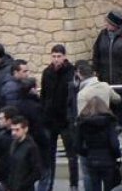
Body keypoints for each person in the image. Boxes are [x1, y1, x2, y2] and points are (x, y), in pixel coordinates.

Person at [40, 44, 78, 191]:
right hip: (50, 120)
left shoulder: (71, 72)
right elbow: (44, 95)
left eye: (59, 56)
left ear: (64, 56)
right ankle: (49, 183)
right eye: (54, 56)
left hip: (66, 119)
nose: (56, 59)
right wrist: (44, 112)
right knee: (49, 155)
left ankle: (73, 184)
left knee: (71, 155)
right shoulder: (47, 73)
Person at [77, 97, 121, 191]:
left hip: (91, 159)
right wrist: (117, 155)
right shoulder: (109, 122)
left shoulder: (83, 123)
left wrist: (87, 152)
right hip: (108, 159)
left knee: (94, 186)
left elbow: (77, 145)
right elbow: (114, 144)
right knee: (109, 186)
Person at [8, 116, 43, 191]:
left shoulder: (31, 147)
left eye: (17, 130)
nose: (13, 133)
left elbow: (37, 172)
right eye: (12, 130)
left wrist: (23, 185)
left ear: (25, 129)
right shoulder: (13, 143)